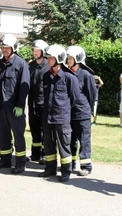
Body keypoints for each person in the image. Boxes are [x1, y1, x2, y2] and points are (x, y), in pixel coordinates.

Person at [38, 45, 80, 182]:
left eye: (51, 58)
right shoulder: (46, 76)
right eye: (48, 57)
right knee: (48, 144)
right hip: (48, 117)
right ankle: (50, 169)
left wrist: (63, 110)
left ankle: (66, 171)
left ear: (59, 59)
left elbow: (74, 98)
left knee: (64, 146)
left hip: (62, 118)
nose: (48, 60)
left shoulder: (69, 77)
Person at [0, 34, 30, 174]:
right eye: (2, 47)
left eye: (6, 48)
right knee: (3, 135)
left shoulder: (21, 64)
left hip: (14, 109)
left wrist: (19, 105)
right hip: (0, 107)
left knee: (18, 136)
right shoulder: (0, 64)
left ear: (13, 48)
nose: (4, 50)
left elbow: (24, 87)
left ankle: (20, 163)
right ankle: (5, 160)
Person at [66, 45, 97, 176]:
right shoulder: (67, 73)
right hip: (69, 114)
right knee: (70, 140)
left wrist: (88, 111)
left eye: (70, 58)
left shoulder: (86, 75)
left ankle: (86, 166)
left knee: (84, 140)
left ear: (77, 59)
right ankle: (71, 163)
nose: (67, 60)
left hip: (82, 114)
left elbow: (92, 95)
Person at [27, 39, 50, 165]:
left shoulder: (48, 66)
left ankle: (46, 154)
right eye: (33, 50)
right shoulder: (30, 66)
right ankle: (35, 154)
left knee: (45, 130)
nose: (35, 53)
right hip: (32, 103)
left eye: (37, 50)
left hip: (44, 104)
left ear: (43, 51)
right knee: (34, 129)